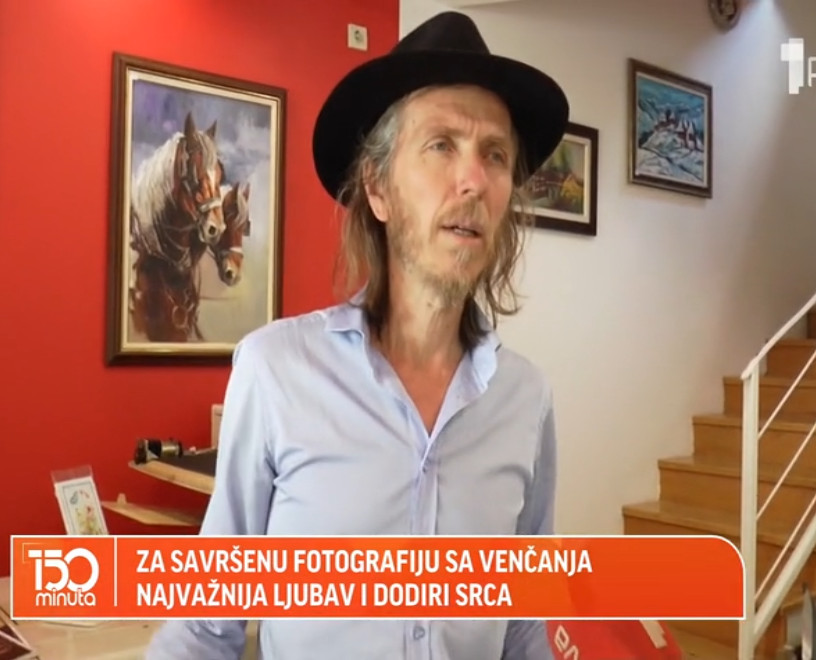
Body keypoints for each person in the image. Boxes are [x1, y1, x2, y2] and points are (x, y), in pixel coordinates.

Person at [145, 9, 569, 660]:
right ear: (378, 188)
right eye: (442, 145)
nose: (475, 180)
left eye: (495, 155)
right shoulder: (275, 371)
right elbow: (206, 625)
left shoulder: (526, 399)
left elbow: (524, 627)